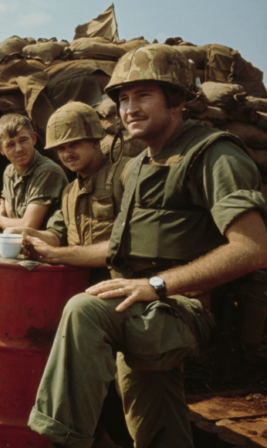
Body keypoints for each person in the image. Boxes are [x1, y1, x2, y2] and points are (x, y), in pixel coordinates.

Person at [27, 44, 267, 448]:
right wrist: (50, 250)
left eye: (144, 96)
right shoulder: (138, 166)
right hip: (140, 306)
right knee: (155, 428)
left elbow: (253, 248)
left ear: (177, 101)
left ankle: (61, 442)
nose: (130, 109)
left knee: (84, 310)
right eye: (123, 98)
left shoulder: (213, 154)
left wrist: (156, 285)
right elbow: (117, 248)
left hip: (187, 308)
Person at [8, 101, 131, 285]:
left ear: (96, 141)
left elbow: (132, 243)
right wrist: (28, 235)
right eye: (61, 148)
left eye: (73, 145)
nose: (67, 154)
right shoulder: (69, 192)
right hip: (78, 284)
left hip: (121, 284)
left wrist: (56, 255)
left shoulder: (126, 173)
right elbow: (57, 236)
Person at [0, 113, 68, 231]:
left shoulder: (47, 171)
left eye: (23, 140)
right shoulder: (9, 172)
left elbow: (28, 226)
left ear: (33, 138)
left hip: (49, 244)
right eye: (11, 144)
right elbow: (13, 218)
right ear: (0, 149)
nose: (18, 149)